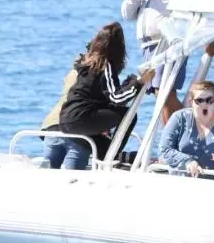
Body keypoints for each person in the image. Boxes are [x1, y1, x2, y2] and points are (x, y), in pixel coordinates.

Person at [59, 22, 155, 162]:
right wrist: (139, 83)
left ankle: (111, 155)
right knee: (128, 115)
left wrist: (130, 82)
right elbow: (117, 98)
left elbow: (107, 94)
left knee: (104, 149)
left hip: (66, 120)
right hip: (81, 118)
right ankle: (114, 154)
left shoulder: (87, 63)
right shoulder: (105, 66)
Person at [121, 0, 199, 125]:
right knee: (161, 96)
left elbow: (195, 1)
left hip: (169, 40)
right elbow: (127, 14)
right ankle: (182, 135)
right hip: (147, 45)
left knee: (164, 93)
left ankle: (188, 132)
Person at [158, 81, 214, 177]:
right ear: (191, 102)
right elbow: (164, 150)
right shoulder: (179, 118)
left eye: (209, 100)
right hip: (181, 183)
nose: (204, 105)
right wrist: (187, 161)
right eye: (199, 101)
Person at [40, 48, 92, 170]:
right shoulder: (94, 76)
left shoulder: (72, 73)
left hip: (52, 125)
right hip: (75, 131)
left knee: (48, 172)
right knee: (73, 178)